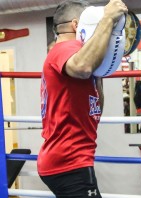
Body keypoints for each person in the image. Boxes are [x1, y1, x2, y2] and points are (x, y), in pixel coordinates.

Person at [38, 0, 128, 197]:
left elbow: (94, 110)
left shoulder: (71, 53)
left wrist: (100, 68)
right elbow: (82, 67)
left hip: (71, 158)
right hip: (68, 161)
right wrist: (106, 20)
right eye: (93, 24)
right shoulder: (65, 49)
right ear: (77, 25)